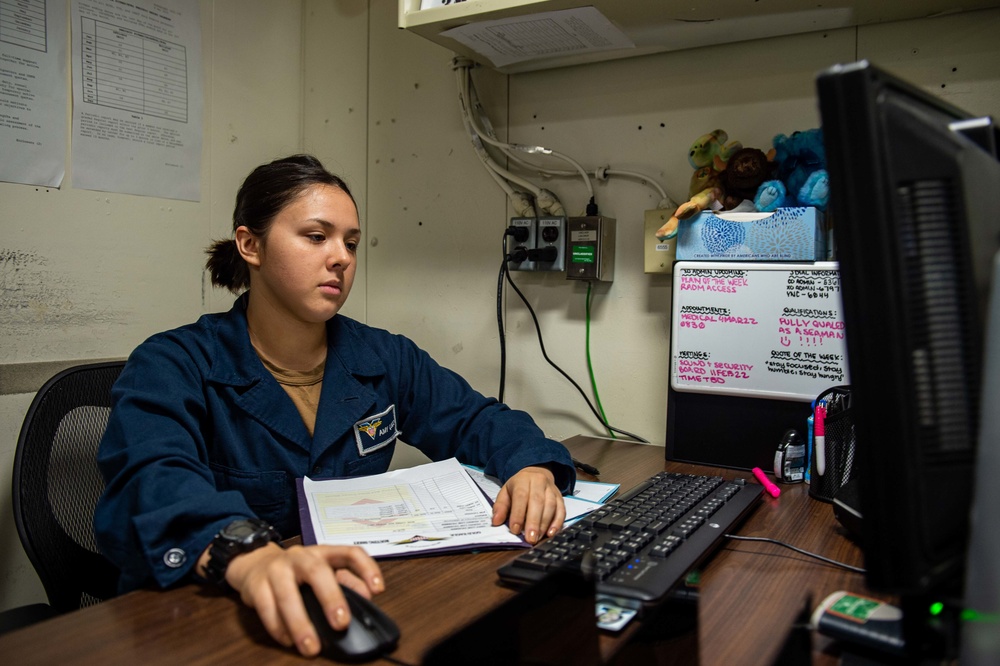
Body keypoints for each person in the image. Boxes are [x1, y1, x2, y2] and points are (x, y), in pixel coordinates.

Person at [94, 154, 575, 658]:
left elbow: (476, 418)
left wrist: (531, 466)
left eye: (350, 242)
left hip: (347, 592)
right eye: (316, 236)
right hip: (206, 616)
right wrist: (245, 552)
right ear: (249, 244)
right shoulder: (174, 362)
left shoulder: (383, 356)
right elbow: (151, 479)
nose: (341, 257)